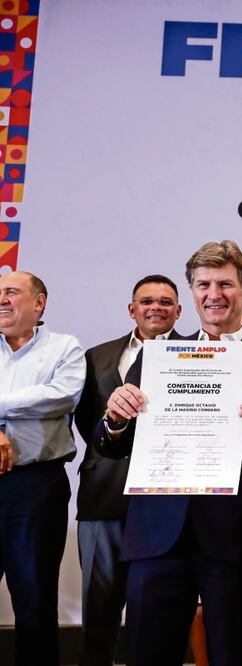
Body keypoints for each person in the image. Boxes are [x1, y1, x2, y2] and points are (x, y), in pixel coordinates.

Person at [96, 240, 242, 666]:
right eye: (203, 284)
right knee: (147, 654)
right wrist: (115, 419)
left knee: (232, 654)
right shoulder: (157, 357)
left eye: (225, 284)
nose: (214, 294)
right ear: (192, 292)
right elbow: (112, 445)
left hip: (235, 534)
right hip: (158, 534)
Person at [73, 274, 184, 666]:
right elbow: (88, 421)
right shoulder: (97, 356)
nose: (156, 307)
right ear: (131, 309)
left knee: (153, 609)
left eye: (166, 301)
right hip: (103, 493)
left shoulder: (198, 355)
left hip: (165, 499)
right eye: (147, 300)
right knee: (98, 607)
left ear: (179, 311)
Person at [0, 270, 86, 666]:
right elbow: (36, 398)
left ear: (39, 303)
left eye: (11, 292)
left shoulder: (64, 348)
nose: (2, 299)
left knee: (34, 597)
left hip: (35, 487)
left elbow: (59, 396)